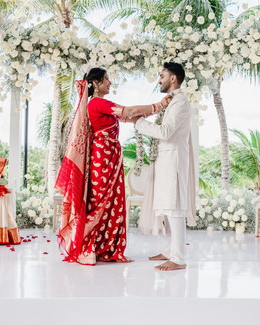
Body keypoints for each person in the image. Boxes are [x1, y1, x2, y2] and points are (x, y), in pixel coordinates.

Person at [55, 67, 170, 265]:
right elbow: (129, 111)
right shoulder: (97, 103)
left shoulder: (102, 105)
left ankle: (105, 248)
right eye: (106, 79)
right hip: (102, 158)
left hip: (111, 157)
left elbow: (128, 117)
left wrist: (149, 117)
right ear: (96, 84)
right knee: (99, 202)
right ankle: (89, 245)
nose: (110, 83)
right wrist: (158, 105)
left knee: (111, 203)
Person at [132, 62, 197, 271]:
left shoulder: (180, 103)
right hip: (165, 161)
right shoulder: (171, 102)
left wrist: (140, 123)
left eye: (162, 76)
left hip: (174, 161)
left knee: (175, 209)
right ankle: (169, 251)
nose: (159, 80)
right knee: (168, 209)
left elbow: (166, 132)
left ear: (173, 78)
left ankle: (178, 259)